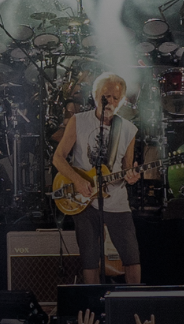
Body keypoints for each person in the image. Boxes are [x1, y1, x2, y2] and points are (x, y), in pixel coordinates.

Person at [51, 73, 142, 285]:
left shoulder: (129, 130)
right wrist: (77, 180)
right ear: (95, 95)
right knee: (89, 260)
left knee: (132, 257)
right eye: (105, 96)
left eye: (115, 98)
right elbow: (58, 158)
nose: (109, 101)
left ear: (122, 101)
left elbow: (127, 168)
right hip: (84, 199)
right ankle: (92, 308)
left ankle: (133, 305)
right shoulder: (78, 121)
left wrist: (132, 176)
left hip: (117, 200)